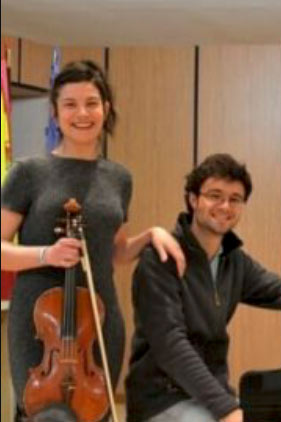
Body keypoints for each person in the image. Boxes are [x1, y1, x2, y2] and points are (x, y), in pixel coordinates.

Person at [0, 60, 185, 421]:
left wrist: (151, 235)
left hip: (98, 321)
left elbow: (114, 252)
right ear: (54, 113)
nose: (82, 113)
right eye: (70, 104)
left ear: (106, 109)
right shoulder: (29, 173)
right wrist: (46, 254)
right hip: (41, 325)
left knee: (95, 412)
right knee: (45, 415)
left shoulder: (118, 178)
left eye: (91, 103)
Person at [126, 153, 281, 422]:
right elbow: (171, 345)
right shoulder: (159, 260)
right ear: (193, 199)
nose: (225, 206)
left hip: (210, 395)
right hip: (161, 398)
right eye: (215, 195)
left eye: (235, 199)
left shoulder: (234, 261)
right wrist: (226, 408)